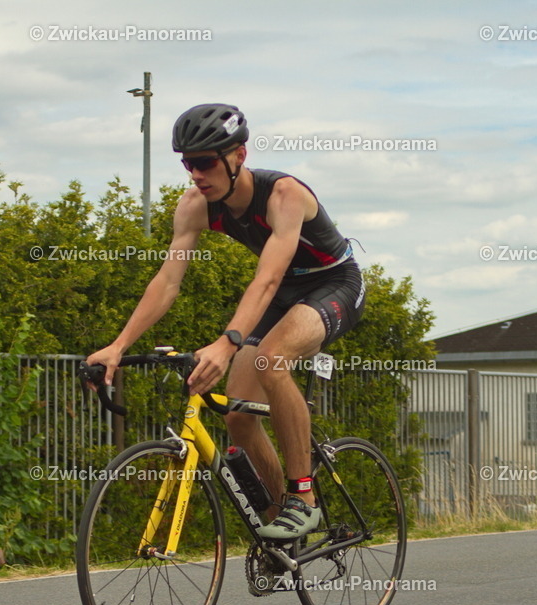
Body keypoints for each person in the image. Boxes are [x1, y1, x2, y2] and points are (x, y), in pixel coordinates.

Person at [86, 103, 365, 541]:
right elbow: (167, 282)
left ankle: (304, 497)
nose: (195, 174)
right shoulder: (196, 205)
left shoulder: (284, 195)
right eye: (187, 164)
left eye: (205, 163)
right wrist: (118, 345)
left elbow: (267, 279)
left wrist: (227, 342)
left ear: (239, 155)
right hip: (284, 295)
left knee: (272, 360)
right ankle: (284, 526)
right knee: (237, 415)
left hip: (333, 285)